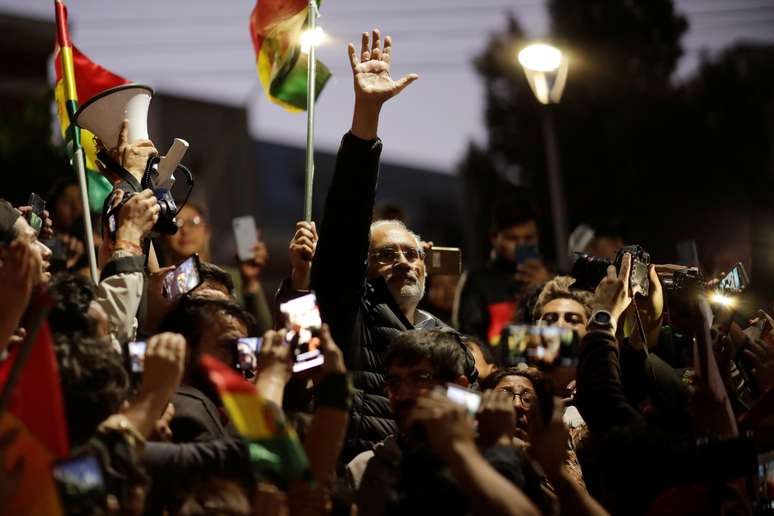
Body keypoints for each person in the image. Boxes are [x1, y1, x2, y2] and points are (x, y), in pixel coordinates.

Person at [311, 29, 477, 460]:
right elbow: (346, 227)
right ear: (364, 268)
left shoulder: (447, 340)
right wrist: (366, 115)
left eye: (411, 253)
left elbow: (469, 419)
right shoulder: (349, 314)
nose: (402, 263)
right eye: (385, 255)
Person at [347, 329, 543, 516]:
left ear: (458, 387)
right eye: (394, 382)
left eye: (420, 378)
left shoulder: (501, 455)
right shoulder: (365, 468)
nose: (403, 394)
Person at [160, 202, 272, 334]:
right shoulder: (159, 283)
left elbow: (264, 330)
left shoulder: (232, 277)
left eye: (193, 222)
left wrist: (250, 281)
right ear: (163, 237)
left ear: (207, 232)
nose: (185, 230)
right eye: (176, 224)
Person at [454, 200, 551, 345]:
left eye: (529, 238)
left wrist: (548, 288)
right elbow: (470, 339)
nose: (521, 245)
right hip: (497, 365)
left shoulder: (551, 276)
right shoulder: (478, 280)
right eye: (513, 238)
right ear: (494, 238)